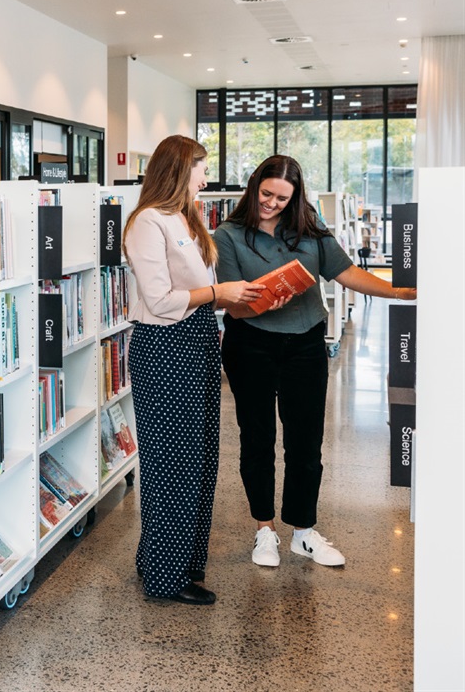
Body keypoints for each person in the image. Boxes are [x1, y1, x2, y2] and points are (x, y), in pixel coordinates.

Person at [214, 155, 417, 569]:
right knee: (257, 439)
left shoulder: (310, 229)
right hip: (249, 344)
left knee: (306, 442)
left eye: (282, 198)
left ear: (295, 197)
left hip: (305, 343)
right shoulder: (228, 234)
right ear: (254, 187)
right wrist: (268, 299)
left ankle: (303, 532)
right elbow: (232, 306)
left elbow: (346, 273)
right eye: (266, 194)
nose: (272, 203)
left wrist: (398, 292)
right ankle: (264, 531)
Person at [123, 135, 265, 605]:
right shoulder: (147, 222)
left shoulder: (187, 217)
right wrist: (220, 293)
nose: (206, 177)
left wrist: (224, 298)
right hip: (165, 348)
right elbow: (161, 302)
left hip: (197, 342)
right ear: (177, 171)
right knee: (171, 464)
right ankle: (165, 579)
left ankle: (175, 562)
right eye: (200, 169)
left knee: (198, 462)